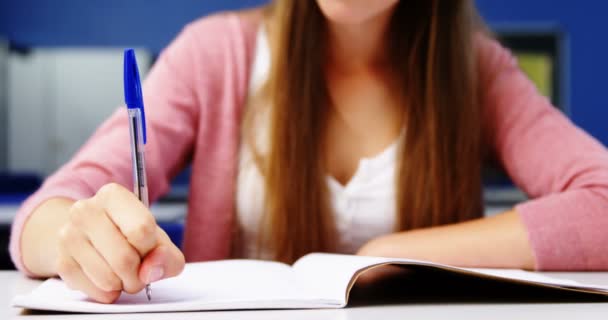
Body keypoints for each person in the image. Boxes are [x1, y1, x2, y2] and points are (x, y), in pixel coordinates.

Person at [9, 0, 608, 304]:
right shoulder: (212, 55)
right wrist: (74, 235)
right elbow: (46, 215)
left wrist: (388, 254)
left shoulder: (476, 72)